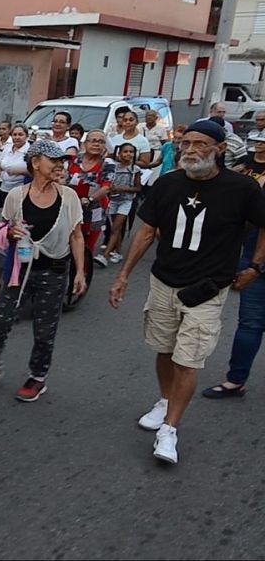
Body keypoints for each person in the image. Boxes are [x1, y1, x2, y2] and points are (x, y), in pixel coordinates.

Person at [108, 120, 265, 464]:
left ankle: (170, 430)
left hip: (207, 289)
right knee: (164, 350)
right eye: (186, 143)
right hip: (164, 282)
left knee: (187, 361)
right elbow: (146, 232)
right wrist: (123, 276)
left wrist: (255, 267)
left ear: (220, 149)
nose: (190, 150)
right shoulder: (168, 183)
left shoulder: (242, 188)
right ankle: (165, 401)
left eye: (200, 144)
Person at [0, 141, 87, 401]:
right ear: (35, 163)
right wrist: (10, 233)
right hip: (18, 270)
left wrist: (80, 273)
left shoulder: (69, 197)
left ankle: (37, 377)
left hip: (54, 272)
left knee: (44, 330)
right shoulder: (16, 196)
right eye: (53, 160)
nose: (59, 165)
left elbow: (77, 236)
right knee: (1, 320)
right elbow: (3, 229)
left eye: (61, 161)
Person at [202, 134, 265, 399]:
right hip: (256, 261)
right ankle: (236, 380)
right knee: (250, 324)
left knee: (250, 325)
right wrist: (252, 265)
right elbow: (250, 223)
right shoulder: (256, 182)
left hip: (254, 262)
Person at [68, 130, 113, 265]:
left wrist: (90, 199)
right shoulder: (73, 160)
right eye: (93, 141)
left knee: (87, 245)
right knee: (69, 240)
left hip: (94, 210)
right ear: (85, 143)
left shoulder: (107, 164)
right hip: (71, 207)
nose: (96, 144)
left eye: (101, 142)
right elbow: (63, 179)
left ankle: (83, 272)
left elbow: (106, 187)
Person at [103, 143, 141, 264]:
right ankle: (118, 252)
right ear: (119, 154)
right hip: (113, 200)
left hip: (126, 201)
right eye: (125, 151)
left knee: (115, 227)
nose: (128, 154)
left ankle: (105, 255)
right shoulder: (113, 167)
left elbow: (138, 188)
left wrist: (122, 188)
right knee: (116, 228)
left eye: (131, 152)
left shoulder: (135, 169)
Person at [0, 124, 32, 207]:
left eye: (20, 134)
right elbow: (0, 164)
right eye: (14, 135)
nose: (17, 137)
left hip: (21, 191)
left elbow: (35, 172)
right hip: (3, 189)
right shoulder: (7, 148)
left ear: (26, 136)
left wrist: (20, 171)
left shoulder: (30, 151)